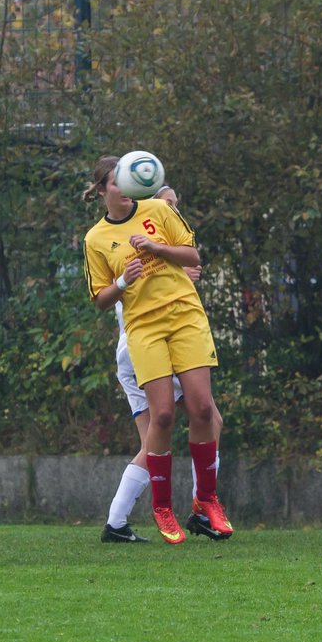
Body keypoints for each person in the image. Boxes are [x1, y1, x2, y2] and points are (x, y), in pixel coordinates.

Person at [83, 157, 233, 545]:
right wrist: (121, 281)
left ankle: (206, 501)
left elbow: (192, 256)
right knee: (162, 418)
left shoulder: (159, 210)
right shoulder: (95, 239)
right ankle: (160, 508)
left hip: (184, 317)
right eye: (116, 183)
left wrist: (155, 247)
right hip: (143, 330)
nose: (125, 188)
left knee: (204, 410)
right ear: (102, 190)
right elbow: (100, 298)